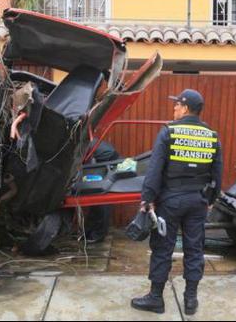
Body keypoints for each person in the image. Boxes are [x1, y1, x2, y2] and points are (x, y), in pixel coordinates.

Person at [131, 89, 223, 315]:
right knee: (194, 249)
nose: (173, 109)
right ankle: (190, 300)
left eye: (176, 105)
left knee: (163, 248)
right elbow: (217, 173)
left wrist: (148, 198)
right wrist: (209, 199)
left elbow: (155, 169)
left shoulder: (169, 132)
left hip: (170, 201)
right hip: (197, 202)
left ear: (185, 107)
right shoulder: (212, 135)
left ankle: (155, 298)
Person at [84, 140, 120, 244]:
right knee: (95, 204)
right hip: (107, 164)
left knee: (102, 204)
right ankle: (89, 233)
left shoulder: (86, 145)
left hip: (110, 165)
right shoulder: (88, 142)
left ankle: (98, 235)